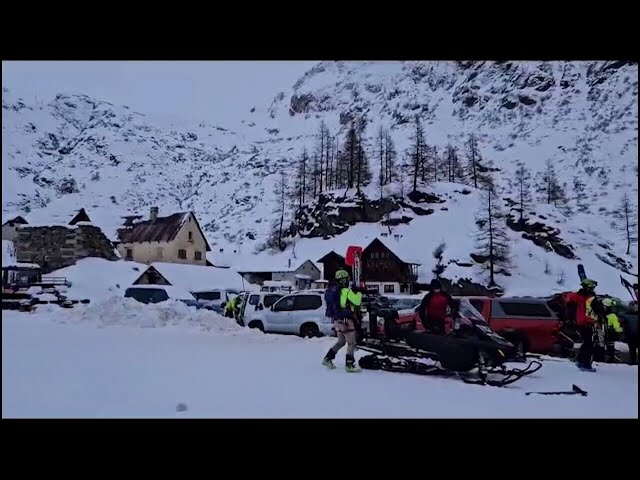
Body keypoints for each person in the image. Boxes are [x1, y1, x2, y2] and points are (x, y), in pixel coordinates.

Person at [321, 269, 363, 372]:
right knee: (351, 343)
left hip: (336, 320)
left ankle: (327, 358)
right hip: (346, 321)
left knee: (341, 341)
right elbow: (357, 302)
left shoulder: (331, 290)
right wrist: (358, 291)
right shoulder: (346, 291)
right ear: (344, 280)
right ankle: (349, 365)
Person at [564, 279, 601, 371]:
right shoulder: (585, 297)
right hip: (586, 323)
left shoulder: (579, 297)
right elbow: (595, 309)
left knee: (587, 343)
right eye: (592, 287)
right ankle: (585, 364)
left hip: (583, 322)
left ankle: (581, 361)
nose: (593, 289)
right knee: (589, 344)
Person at [600, 297, 624, 362]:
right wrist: (622, 329)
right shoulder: (613, 316)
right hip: (610, 334)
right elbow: (616, 328)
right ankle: (610, 359)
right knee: (610, 348)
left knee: (601, 346)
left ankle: (600, 358)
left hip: (601, 333)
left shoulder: (600, 314)